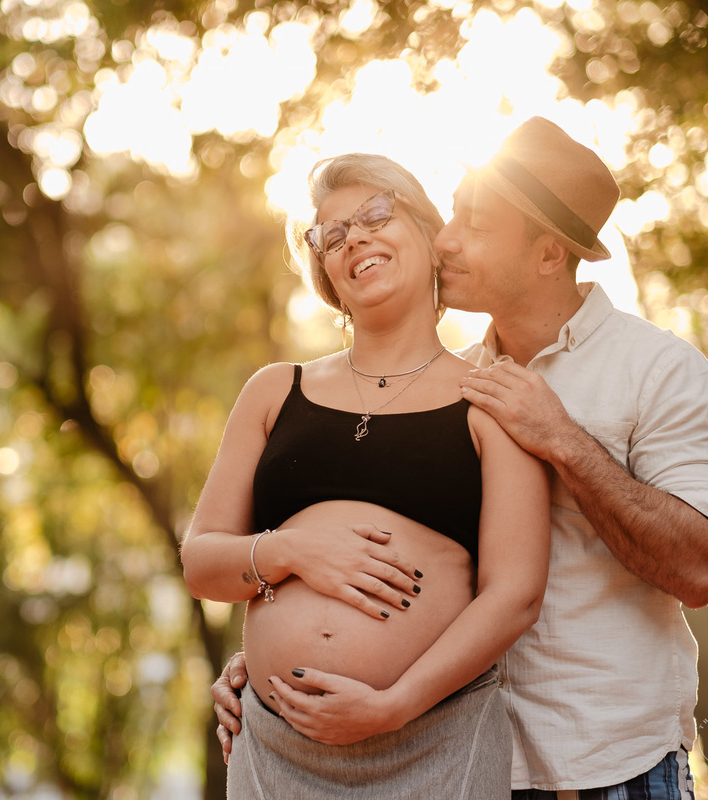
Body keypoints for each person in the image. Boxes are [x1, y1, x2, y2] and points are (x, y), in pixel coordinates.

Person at [211, 117, 708, 799]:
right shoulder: (448, 388)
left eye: (476, 223)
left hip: (606, 762)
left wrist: (563, 439)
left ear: (550, 254)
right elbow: (418, 560)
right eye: (452, 213)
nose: (446, 237)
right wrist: (273, 654)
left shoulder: (659, 371)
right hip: (455, 754)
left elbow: (699, 568)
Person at [180, 152, 550, 797]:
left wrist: (395, 704)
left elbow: (514, 593)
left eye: (377, 213)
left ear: (428, 235)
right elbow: (201, 563)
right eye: (333, 235)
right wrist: (290, 549)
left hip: (438, 739)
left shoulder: (493, 398)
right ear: (326, 271)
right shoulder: (273, 392)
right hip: (274, 746)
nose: (356, 237)